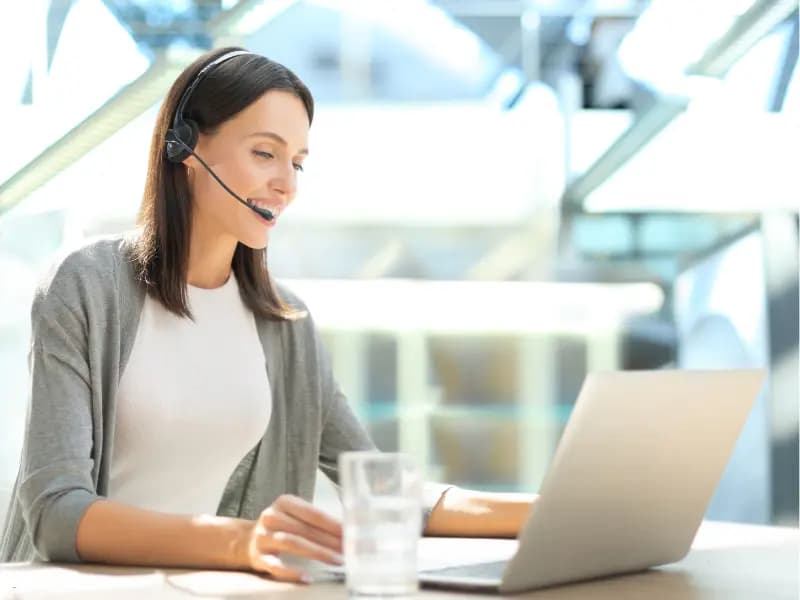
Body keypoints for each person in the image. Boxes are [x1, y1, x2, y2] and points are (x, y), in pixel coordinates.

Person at [0, 47, 536, 583]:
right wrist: (240, 540)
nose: (288, 184)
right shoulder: (86, 283)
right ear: (186, 146)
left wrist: (550, 511)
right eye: (265, 153)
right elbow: (55, 512)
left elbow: (383, 492)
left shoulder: (284, 323)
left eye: (297, 162)